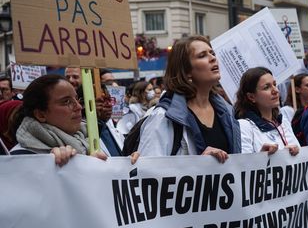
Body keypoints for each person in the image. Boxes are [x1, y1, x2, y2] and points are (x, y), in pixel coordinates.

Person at [137, 35, 241, 162]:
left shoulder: (227, 112)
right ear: (186, 71)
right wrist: (197, 165)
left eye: (212, 53)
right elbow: (148, 173)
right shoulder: (163, 117)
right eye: (202, 55)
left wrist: (260, 158)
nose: (213, 58)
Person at [9, 74, 138, 165]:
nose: (79, 107)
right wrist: (52, 167)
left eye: (76, 99)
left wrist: (126, 167)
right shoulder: (21, 159)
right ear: (41, 114)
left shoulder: (89, 142)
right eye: (66, 102)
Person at [234, 67, 301, 155]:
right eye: (267, 87)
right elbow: (243, 165)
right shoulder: (244, 126)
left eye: (274, 84)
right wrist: (262, 156)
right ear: (251, 97)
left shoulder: (283, 122)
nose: (275, 91)